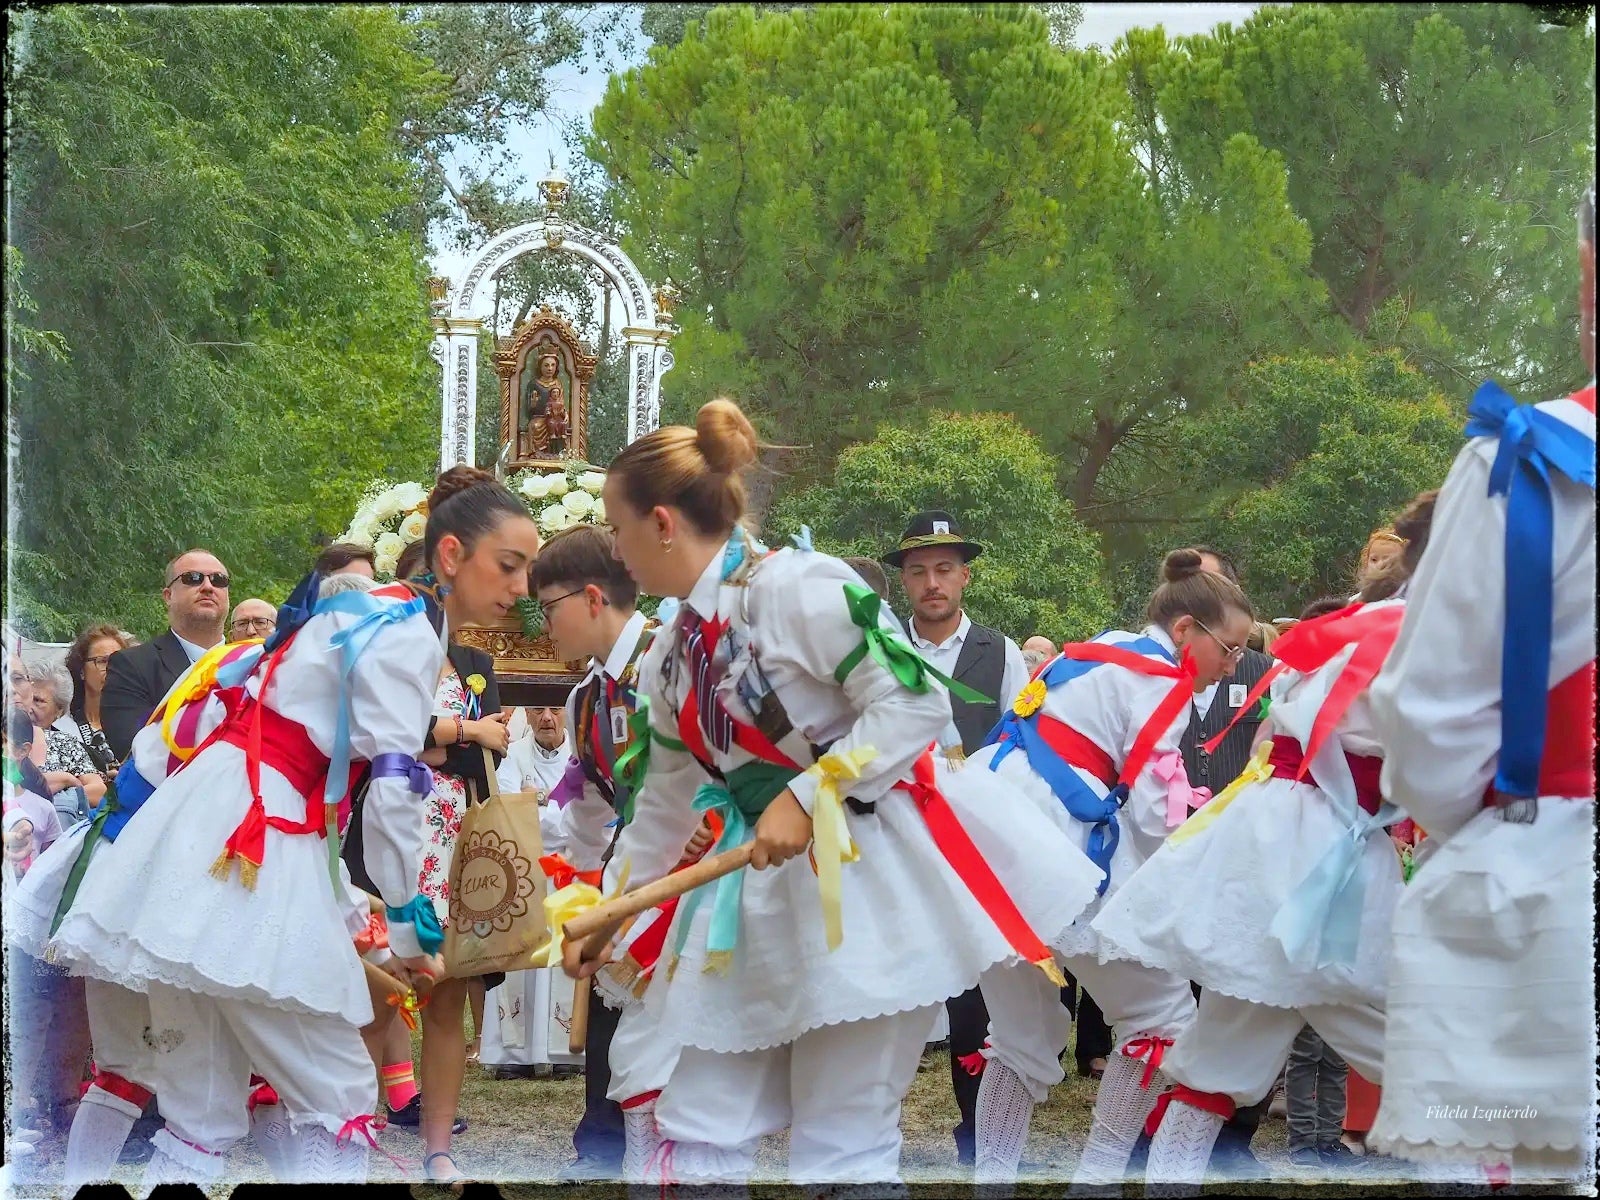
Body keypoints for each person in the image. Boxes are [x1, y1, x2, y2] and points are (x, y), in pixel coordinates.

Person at [565, 399, 1094, 1195]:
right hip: (758, 903)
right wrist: (614, 913)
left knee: (842, 1139)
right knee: (698, 1121)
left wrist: (812, 789)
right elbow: (664, 807)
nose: (614, 546)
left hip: (867, 881)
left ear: (664, 523)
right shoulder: (672, 652)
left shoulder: (800, 589)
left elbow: (916, 706)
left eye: (618, 523)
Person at [40, 464, 540, 1187]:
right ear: (453, 555)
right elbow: (395, 785)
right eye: (510, 566)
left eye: (528, 569)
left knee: (205, 1110)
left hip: (214, 829)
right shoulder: (405, 630)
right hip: (255, 839)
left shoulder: (368, 613)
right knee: (335, 1087)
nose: (520, 589)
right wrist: (406, 921)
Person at [1095, 500, 1435, 1193]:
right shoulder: (1420, 635)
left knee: (1218, 1063)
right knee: (1435, 1041)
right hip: (1322, 863)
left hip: (1279, 841)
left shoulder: (1349, 626)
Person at [1366, 183, 1597, 1192]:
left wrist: (1515, 819)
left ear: (1588, 276)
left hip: (1556, 907)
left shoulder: (1530, 459)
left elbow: (1424, 731)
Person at [956, 548, 1253, 1190]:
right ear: (1185, 632)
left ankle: (993, 1184)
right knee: (1163, 1020)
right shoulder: (1165, 682)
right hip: (1057, 842)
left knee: (1019, 1037)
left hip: (988, 834)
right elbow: (1152, 812)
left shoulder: (1102, 647)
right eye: (1227, 649)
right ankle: (1097, 1178)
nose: (1232, 665)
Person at [882, 509, 1030, 1169]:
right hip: (895, 841)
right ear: (904, 583)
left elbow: (1025, 749)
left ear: (965, 576)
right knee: (889, 989)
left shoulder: (1000, 653)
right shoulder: (884, 648)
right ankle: (865, 1131)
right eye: (919, 572)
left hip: (971, 847)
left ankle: (979, 1140)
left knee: (976, 1000)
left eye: (944, 570)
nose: (932, 583)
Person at [481, 702, 576, 1082]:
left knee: (563, 953)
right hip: (523, 869)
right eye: (538, 711)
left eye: (554, 709)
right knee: (521, 955)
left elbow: (581, 821)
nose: (546, 719)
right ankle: (513, 1052)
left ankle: (567, 1049)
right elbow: (506, 809)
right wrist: (548, 807)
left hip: (568, 870)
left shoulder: (579, 758)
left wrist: (536, 802)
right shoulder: (514, 755)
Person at [100, 549, 230, 761]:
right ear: (168, 596)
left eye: (218, 580)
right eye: (193, 578)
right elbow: (133, 751)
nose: (208, 586)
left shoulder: (254, 664)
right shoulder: (132, 666)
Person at [28, 661, 108, 824]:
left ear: (59, 711)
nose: (28, 706)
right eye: (25, 697)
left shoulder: (64, 743)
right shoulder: (8, 737)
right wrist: (66, 780)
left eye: (38, 700)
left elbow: (99, 791)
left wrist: (64, 796)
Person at [64, 622, 136, 776]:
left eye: (119, 661)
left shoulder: (140, 725)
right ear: (81, 671)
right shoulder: (64, 727)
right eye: (102, 661)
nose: (112, 668)